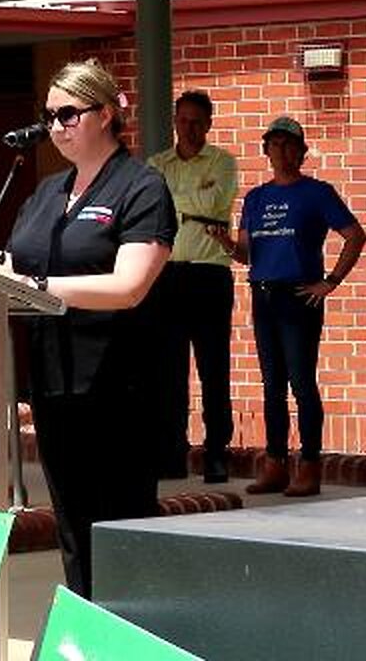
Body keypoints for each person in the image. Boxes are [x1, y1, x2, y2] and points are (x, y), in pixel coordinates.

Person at [1, 59, 176, 598]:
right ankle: (83, 625)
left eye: (68, 115)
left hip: (120, 386)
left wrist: (36, 284)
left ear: (105, 114)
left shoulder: (141, 186)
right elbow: (13, 264)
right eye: (49, 116)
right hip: (54, 381)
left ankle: (127, 632)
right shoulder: (46, 193)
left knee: (120, 524)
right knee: (73, 525)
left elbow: (129, 286)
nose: (56, 127)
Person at [208, 116, 366, 497]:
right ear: (266, 151)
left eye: (288, 144)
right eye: (274, 144)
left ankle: (309, 464)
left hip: (299, 296)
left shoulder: (317, 193)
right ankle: (275, 462)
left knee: (301, 382)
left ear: (302, 151)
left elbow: (355, 236)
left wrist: (331, 281)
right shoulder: (256, 198)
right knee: (272, 385)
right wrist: (225, 242)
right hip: (263, 294)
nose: (281, 151)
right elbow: (246, 254)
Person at [147, 90, 238, 483]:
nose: (190, 128)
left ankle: (216, 454)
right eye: (183, 120)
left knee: (214, 369)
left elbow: (216, 204)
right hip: (166, 276)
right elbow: (153, 207)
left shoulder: (223, 162)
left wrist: (177, 203)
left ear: (209, 124)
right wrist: (192, 204)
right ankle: (171, 454)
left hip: (209, 275)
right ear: (175, 122)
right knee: (168, 371)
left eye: (197, 121)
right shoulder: (156, 164)